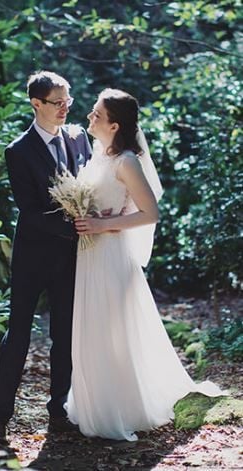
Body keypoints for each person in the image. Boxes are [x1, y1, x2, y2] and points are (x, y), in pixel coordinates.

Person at [65, 88, 225, 441]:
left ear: (114, 125)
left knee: (114, 331)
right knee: (92, 328)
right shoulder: (97, 156)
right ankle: (93, 403)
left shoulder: (126, 161)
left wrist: (101, 225)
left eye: (96, 114)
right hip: (89, 254)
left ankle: (122, 408)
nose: (90, 117)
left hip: (111, 253)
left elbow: (150, 212)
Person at [0, 71, 91, 443]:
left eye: (69, 101)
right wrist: (74, 224)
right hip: (32, 256)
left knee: (64, 334)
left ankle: (58, 412)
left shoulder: (79, 139)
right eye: (57, 102)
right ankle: (0, 418)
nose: (65, 108)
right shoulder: (18, 150)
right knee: (18, 335)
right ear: (36, 104)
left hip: (72, 257)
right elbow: (28, 210)